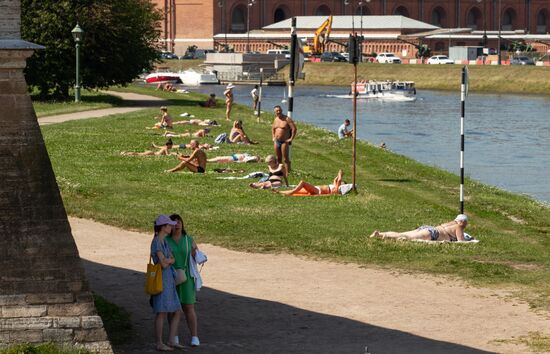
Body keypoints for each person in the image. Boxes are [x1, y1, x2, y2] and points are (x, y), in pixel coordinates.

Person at [150, 215, 183, 351]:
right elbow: (164, 263)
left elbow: (171, 259)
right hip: (162, 281)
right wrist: (168, 260)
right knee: (162, 312)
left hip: (168, 281)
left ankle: (170, 340)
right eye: (169, 225)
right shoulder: (157, 242)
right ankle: (159, 342)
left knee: (177, 311)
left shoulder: (164, 242)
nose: (171, 227)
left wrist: (168, 260)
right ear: (163, 227)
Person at [166, 214, 200, 347]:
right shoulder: (166, 241)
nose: (177, 224)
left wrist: (197, 255)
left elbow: (196, 254)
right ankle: (174, 335)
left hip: (187, 277)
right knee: (172, 308)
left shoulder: (188, 239)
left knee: (189, 307)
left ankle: (194, 336)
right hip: (171, 276)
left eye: (179, 221)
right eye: (174, 222)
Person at [369, 214, 471, 242]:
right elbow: (461, 241)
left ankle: (380, 234)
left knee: (403, 233)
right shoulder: (459, 226)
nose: (465, 225)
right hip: (433, 233)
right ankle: (385, 236)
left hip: (428, 228)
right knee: (407, 237)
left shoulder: (450, 223)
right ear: (462, 222)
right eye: (466, 223)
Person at [278, 169, 344, 196]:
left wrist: (340, 174)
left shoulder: (337, 189)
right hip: (316, 189)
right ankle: (279, 192)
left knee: (302, 183)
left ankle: (290, 192)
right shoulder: (335, 185)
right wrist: (339, 174)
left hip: (318, 191)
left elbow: (339, 180)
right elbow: (336, 180)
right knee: (297, 191)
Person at [271, 105, 297, 172]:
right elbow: (273, 128)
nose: (279, 111)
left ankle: (288, 172)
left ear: (282, 110)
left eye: (280, 110)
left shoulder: (287, 119)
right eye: (277, 111)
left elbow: (294, 128)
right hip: (276, 141)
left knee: (285, 158)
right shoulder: (275, 119)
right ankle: (280, 171)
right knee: (278, 158)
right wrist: (273, 137)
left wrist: (291, 138)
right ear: (275, 112)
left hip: (284, 141)